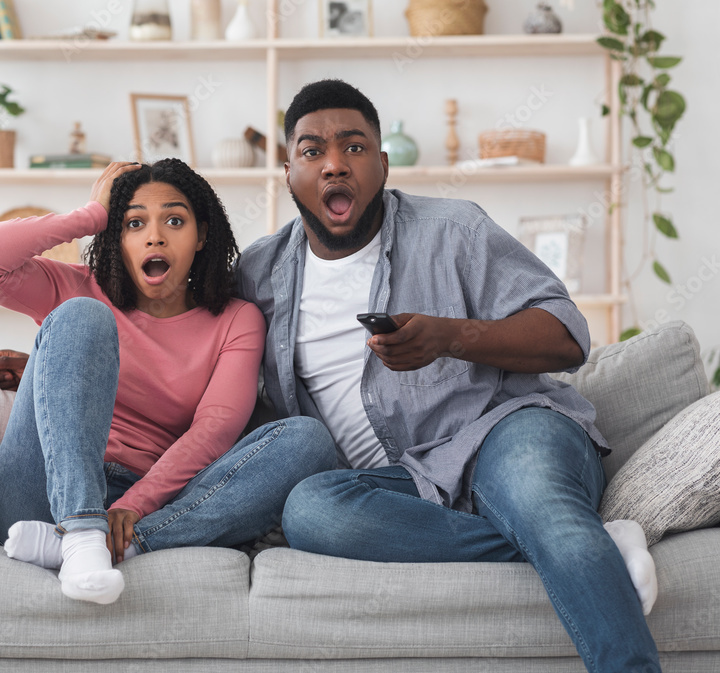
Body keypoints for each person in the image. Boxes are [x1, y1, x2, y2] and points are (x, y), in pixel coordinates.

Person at [235, 79, 661, 673]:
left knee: (539, 502)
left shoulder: (453, 229)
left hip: (504, 433)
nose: (334, 164)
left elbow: (567, 336)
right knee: (310, 509)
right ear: (288, 171)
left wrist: (449, 336)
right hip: (405, 486)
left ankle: (574, 555)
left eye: (354, 147)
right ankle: (592, 546)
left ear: (382, 164)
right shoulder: (258, 273)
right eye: (312, 151)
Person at [0, 158, 335, 605]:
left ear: (202, 235)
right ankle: (81, 534)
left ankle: (113, 546)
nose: (154, 235)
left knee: (308, 439)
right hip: (35, 496)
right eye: (134, 223)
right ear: (117, 238)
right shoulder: (77, 288)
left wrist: (134, 506)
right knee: (82, 316)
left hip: (141, 505)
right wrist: (92, 215)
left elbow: (214, 429)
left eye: (174, 220)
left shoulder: (236, 320)